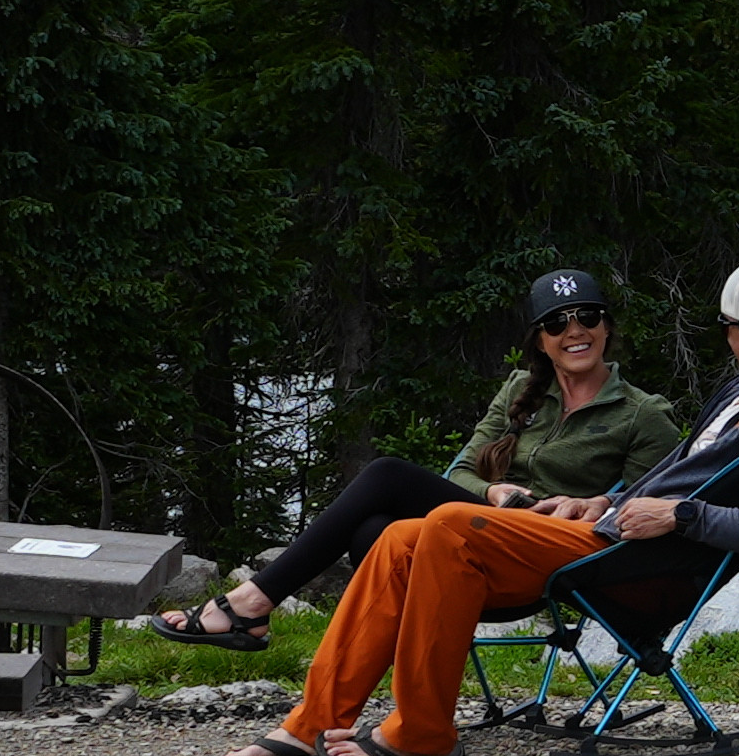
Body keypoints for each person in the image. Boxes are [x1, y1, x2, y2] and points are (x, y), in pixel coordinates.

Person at [224, 257, 739, 756]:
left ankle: (420, 735)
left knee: (446, 524)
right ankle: (311, 724)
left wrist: (682, 516)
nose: (730, 338)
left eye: (728, 327)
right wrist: (603, 501)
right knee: (400, 537)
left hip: (645, 565)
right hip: (605, 532)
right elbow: (677, 475)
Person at [144, 270, 681, 652]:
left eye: (587, 316)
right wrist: (493, 492)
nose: (575, 331)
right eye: (557, 322)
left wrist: (596, 501)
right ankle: (401, 688)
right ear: (541, 341)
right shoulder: (522, 389)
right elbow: (463, 473)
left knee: (388, 475)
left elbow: (656, 502)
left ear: (607, 327)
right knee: (372, 531)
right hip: (478, 531)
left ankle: (253, 605)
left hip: (542, 557)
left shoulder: (641, 413)